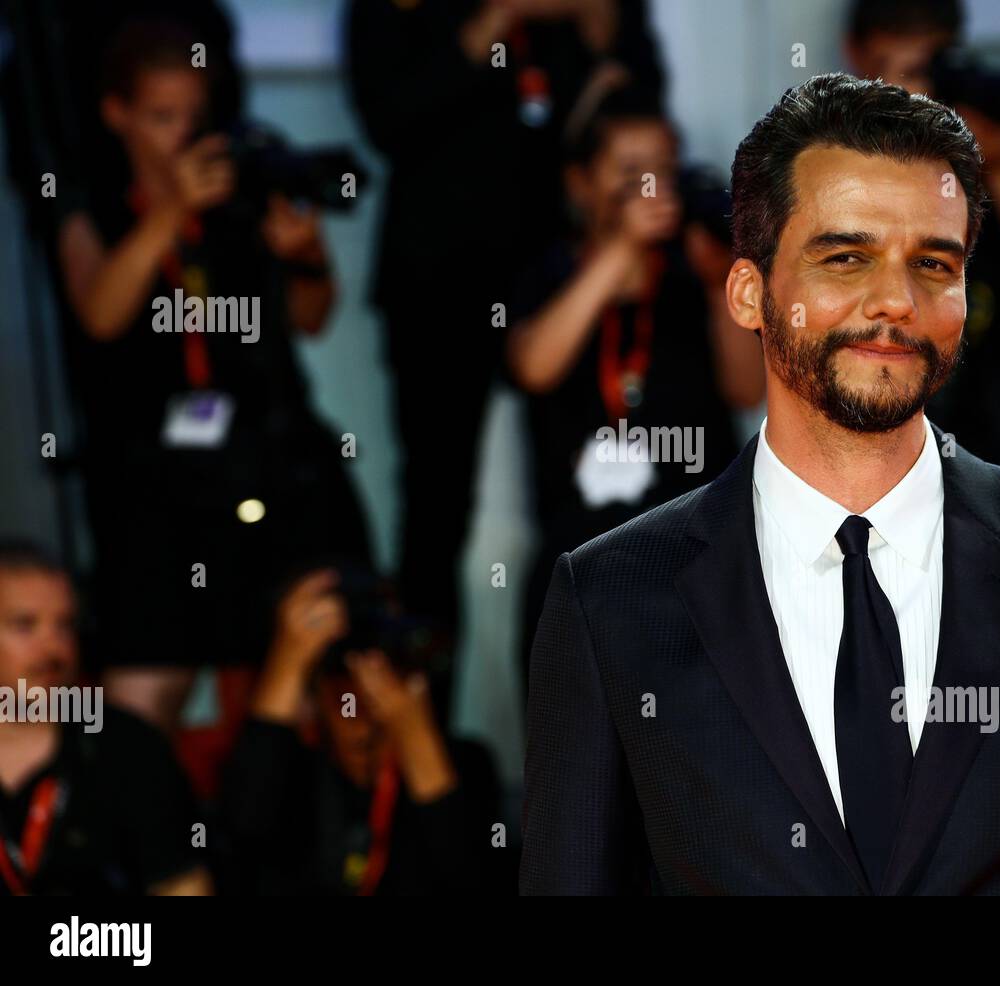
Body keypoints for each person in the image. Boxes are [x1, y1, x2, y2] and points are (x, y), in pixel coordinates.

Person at [519, 74, 1000, 895]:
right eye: (846, 257)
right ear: (750, 293)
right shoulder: (611, 599)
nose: (896, 301)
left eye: (934, 264)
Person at [345, 0, 665, 710]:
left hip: (566, 278)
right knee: (434, 514)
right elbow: (389, 120)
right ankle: (422, 745)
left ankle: (614, 742)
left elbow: (640, 101)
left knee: (592, 494)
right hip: (439, 284)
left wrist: (595, 26)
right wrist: (497, 14)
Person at [55, 20, 370, 730]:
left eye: (194, 117)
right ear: (117, 114)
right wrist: (170, 211)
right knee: (142, 696)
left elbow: (311, 316)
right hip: (156, 484)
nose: (182, 136)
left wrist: (307, 256)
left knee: (309, 674)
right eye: (162, 117)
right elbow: (101, 311)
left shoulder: (243, 197)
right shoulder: (92, 208)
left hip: (268, 465)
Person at [506, 85, 765, 684]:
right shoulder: (550, 272)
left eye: (662, 171)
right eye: (628, 173)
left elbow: (746, 390)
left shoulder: (692, 274)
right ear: (579, 184)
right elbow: (534, 367)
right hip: (579, 558)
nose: (651, 189)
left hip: (701, 552)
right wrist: (618, 250)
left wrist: (715, 284)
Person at [844, 0, 1000, 485]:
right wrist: (893, 131)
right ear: (854, 55)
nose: (923, 86)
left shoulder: (997, 120)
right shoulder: (830, 142)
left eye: (931, 63)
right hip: (876, 439)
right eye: (899, 69)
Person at [218, 569, 510, 895]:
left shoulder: (465, 762)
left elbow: (477, 879)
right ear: (314, 697)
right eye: (343, 693)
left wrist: (415, 737)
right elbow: (237, 840)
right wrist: (289, 658)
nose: (360, 712)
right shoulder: (291, 768)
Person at [0, 540, 211, 895]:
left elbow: (183, 885)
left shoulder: (128, 747)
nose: (53, 648)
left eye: (65, 626)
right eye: (25, 625)